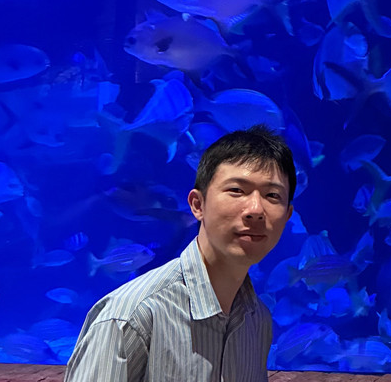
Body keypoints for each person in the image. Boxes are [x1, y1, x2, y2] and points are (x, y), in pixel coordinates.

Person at [65, 125, 296, 382]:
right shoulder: (130, 317)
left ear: (287, 215)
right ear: (198, 205)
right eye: (236, 191)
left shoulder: (257, 318)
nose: (255, 209)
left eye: (272, 195)